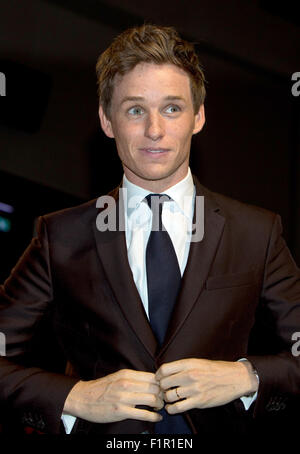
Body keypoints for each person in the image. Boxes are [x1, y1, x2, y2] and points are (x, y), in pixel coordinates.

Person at [0, 24, 299, 436]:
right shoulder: (61, 237)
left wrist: (247, 377)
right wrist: (74, 398)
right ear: (108, 121)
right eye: (135, 109)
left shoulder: (256, 232)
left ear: (199, 116)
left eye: (172, 108)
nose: (155, 130)